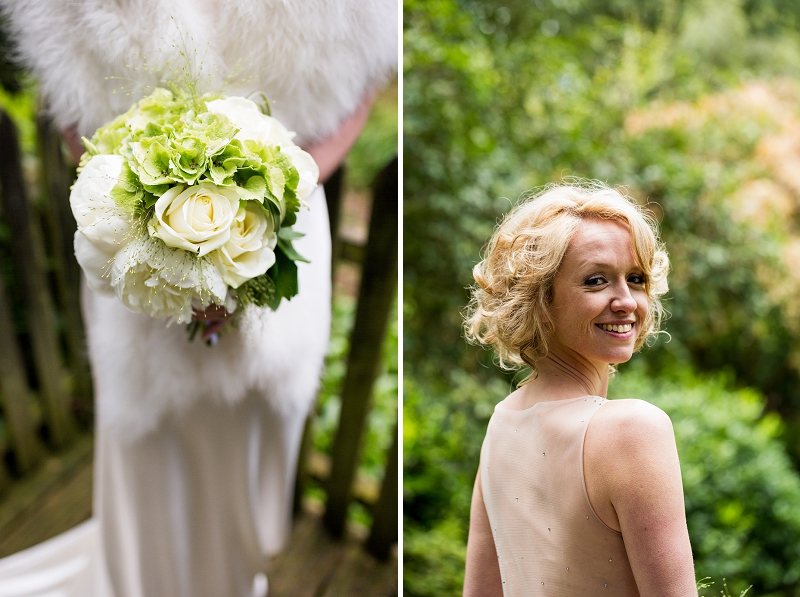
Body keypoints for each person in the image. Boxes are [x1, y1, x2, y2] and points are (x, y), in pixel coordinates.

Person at [0, 2, 396, 596]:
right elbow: (68, 102)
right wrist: (143, 211)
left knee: (262, 425)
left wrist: (273, 195)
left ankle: (236, 574)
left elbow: (368, 75)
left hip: (279, 225)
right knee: (144, 436)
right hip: (131, 230)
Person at [462, 183, 698, 596]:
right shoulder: (633, 430)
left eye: (636, 279)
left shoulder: (502, 423)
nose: (626, 301)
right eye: (596, 281)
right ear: (539, 298)